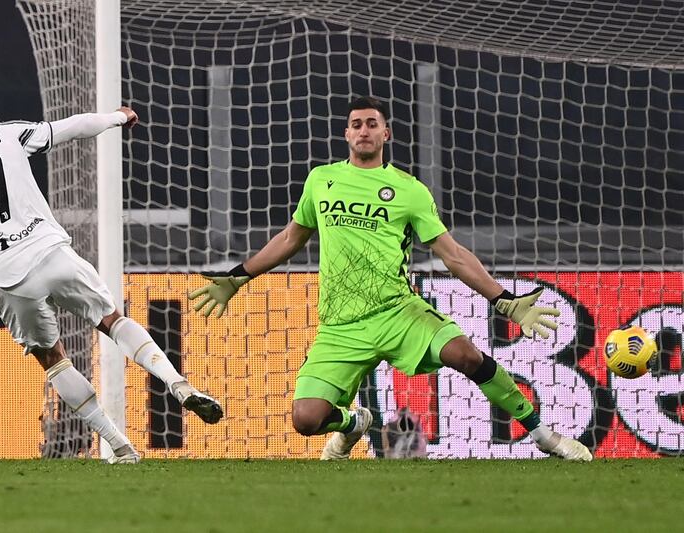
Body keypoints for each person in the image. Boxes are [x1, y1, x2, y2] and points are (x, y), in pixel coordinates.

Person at [188, 96, 591, 461]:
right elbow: (291, 237)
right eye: (356, 124)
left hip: (398, 312)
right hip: (341, 325)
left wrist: (503, 299)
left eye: (371, 123)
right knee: (306, 420)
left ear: (386, 133)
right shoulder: (321, 180)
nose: (364, 130)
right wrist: (237, 277)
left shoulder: (408, 191)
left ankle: (543, 435)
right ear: (347, 133)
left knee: (467, 355)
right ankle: (354, 424)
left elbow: (452, 255)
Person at [0, 76, 223, 464]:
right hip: (51, 250)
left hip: (9, 274)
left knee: (54, 359)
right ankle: (177, 384)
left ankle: (120, 448)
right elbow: (71, 128)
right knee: (112, 320)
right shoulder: (4, 134)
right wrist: (116, 117)